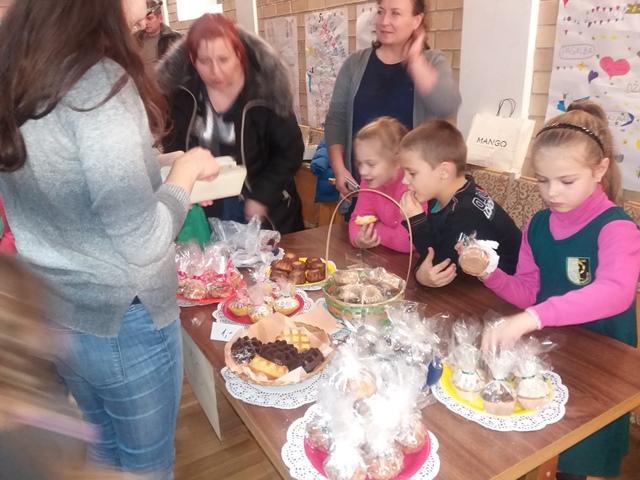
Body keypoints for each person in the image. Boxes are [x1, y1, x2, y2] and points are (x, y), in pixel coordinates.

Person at [0, 0, 219, 478]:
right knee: (146, 466)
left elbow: (68, 172)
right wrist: (182, 180)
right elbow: (143, 241)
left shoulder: (21, 73)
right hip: (124, 319)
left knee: (104, 453)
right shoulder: (99, 82)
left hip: (58, 312)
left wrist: (163, 164)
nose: (148, 7)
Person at [478, 102, 640, 480]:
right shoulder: (537, 224)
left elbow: (616, 291)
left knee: (581, 453)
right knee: (544, 449)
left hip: (602, 365)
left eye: (566, 181)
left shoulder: (617, 228)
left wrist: (532, 318)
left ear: (599, 169)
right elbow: (529, 290)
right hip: (556, 353)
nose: (552, 193)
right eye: (542, 180)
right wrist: (490, 274)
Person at [159, 13, 305, 234]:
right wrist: (185, 184)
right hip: (203, 207)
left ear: (239, 54)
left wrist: (262, 196)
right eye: (204, 61)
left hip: (264, 210)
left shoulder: (266, 90)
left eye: (224, 59)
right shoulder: (180, 93)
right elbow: (173, 145)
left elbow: (291, 151)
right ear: (192, 59)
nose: (216, 71)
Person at [325, 0, 461, 200]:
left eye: (395, 13)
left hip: (413, 197)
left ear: (417, 20)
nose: (384, 21)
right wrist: (339, 169)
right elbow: (336, 120)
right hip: (364, 191)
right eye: (381, 12)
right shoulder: (355, 64)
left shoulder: (432, 61)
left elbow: (446, 105)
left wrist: (415, 61)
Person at [398, 120, 522, 287]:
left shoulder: (465, 211)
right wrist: (420, 272)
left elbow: (442, 268)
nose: (405, 180)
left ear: (444, 171)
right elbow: (438, 249)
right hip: (475, 284)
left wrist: (415, 223)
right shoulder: (451, 194)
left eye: (412, 173)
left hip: (504, 290)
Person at [349, 117, 428, 252]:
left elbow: (407, 242)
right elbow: (358, 219)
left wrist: (373, 229)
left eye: (371, 164)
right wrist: (359, 240)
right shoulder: (369, 182)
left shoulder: (412, 186)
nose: (362, 171)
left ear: (397, 162)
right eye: (360, 164)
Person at [134, 0, 181, 66]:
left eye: (149, 18)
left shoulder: (174, 39)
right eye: (143, 19)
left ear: (160, 18)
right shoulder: (136, 38)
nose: (146, 23)